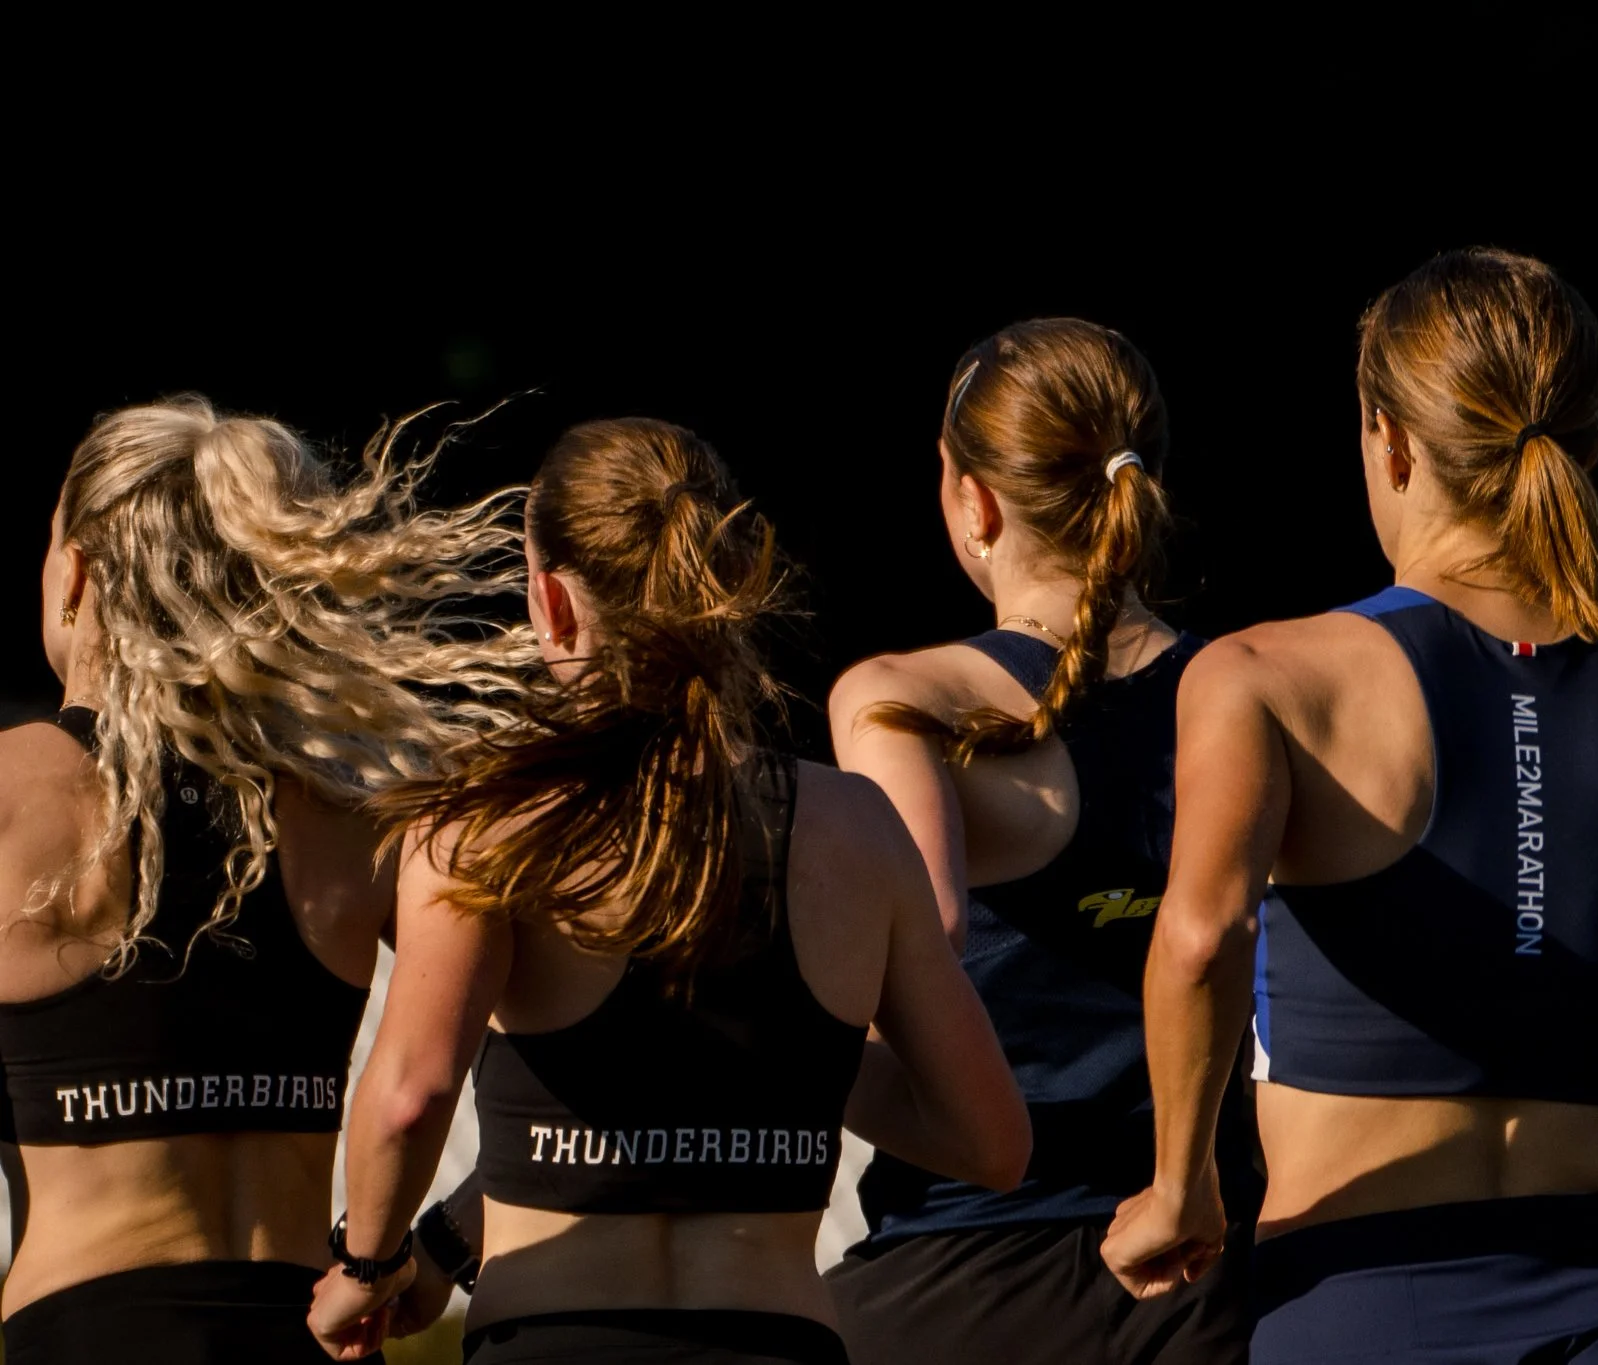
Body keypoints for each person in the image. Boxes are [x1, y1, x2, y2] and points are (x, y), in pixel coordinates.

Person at [1101, 248, 1598, 1364]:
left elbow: (1200, 941)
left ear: (1387, 440)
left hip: (1367, 1298)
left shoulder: (1266, 678)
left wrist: (1177, 1185)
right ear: (1585, 444)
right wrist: (1586, 1125)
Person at [310, 418, 1029, 1365]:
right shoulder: (854, 825)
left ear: (552, 603)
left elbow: (411, 1094)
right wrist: (791, 1071)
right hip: (775, 1338)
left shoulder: (490, 826)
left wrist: (366, 1266)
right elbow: (991, 1142)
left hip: (558, 1339)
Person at [0, 398, 532, 1364]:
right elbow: (583, 1053)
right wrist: (436, 1242)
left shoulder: (6, 799)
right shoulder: (359, 810)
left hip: (82, 1330)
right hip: (301, 1333)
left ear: (74, 573)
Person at [824, 318, 1259, 1365]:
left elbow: (909, 956)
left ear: (973, 502)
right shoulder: (1253, 696)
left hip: (959, 1274)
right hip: (1213, 1277)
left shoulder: (902, 700)